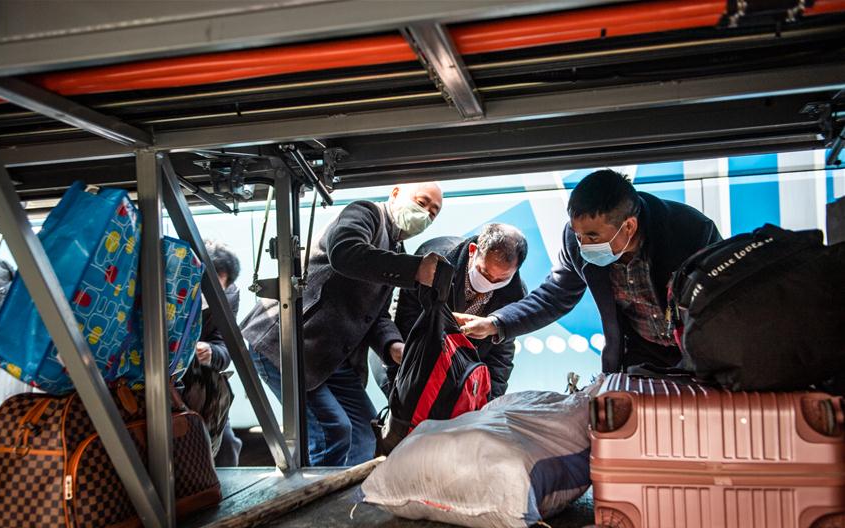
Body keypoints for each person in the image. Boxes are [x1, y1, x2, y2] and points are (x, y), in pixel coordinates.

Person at [240, 182, 444, 466]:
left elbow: (376, 316)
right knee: (333, 430)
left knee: (365, 432)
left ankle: (346, 502)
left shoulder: (397, 247)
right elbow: (345, 253)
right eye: (422, 203)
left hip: (331, 359)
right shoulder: (366, 213)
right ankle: (320, 505)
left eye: (434, 213)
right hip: (286, 344)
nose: (426, 215)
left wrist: (394, 346)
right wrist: (414, 268)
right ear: (396, 194)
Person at [459, 169, 721, 372]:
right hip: (639, 359)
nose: (583, 244)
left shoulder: (691, 232)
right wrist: (494, 323)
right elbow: (554, 296)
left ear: (628, 226)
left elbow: (719, 305)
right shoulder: (576, 240)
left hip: (697, 355)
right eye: (578, 234)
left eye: (593, 237)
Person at [386, 224, 528, 399]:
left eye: (502, 278)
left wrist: (486, 403)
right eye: (484, 272)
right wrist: (401, 386)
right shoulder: (434, 262)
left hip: (458, 379)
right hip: (409, 361)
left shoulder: (514, 295)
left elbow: (501, 356)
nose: (491, 282)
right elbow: (405, 320)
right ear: (473, 250)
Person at [183, 240, 243, 466]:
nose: (209, 296)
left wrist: (211, 353)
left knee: (226, 445)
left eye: (218, 289)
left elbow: (226, 346)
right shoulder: (169, 288)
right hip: (165, 380)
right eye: (205, 288)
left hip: (199, 381)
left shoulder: (228, 297)